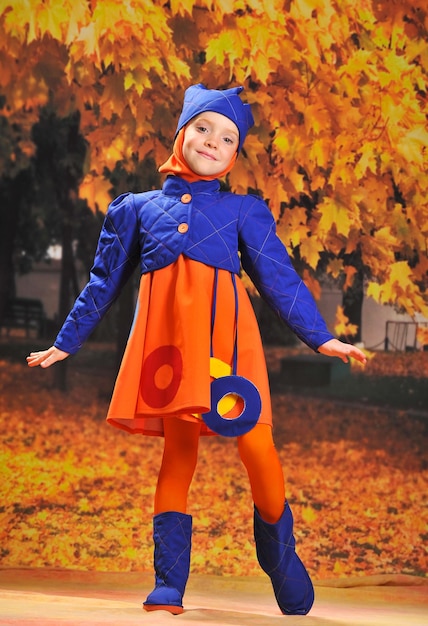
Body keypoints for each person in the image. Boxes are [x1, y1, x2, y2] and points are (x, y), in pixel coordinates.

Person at [27, 84, 367, 616]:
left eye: (227, 138)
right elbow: (102, 283)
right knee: (178, 451)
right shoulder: (135, 210)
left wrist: (322, 337)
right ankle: (169, 582)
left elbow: (280, 280)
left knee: (257, 447)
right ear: (181, 131)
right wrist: (65, 341)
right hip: (171, 352)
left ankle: (280, 557)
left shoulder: (243, 212)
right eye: (204, 128)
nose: (213, 142)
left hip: (231, 349)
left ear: (235, 156)